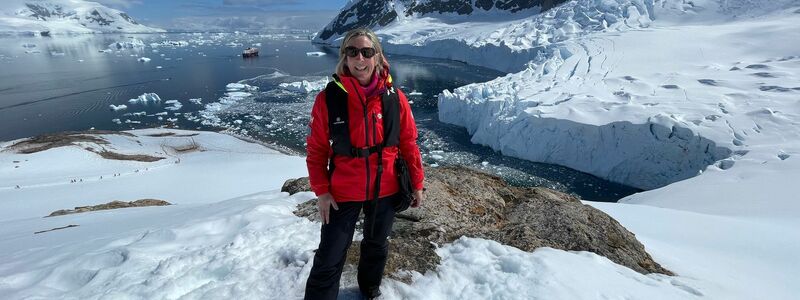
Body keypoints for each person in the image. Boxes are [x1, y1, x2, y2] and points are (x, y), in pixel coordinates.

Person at [304, 28, 425, 300]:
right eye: (353, 51)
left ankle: (369, 291)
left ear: (378, 57)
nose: (360, 58)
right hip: (343, 191)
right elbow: (317, 149)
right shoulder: (329, 99)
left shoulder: (395, 99)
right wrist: (321, 190)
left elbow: (408, 143)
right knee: (331, 253)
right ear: (344, 58)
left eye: (367, 52)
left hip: (387, 187)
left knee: (376, 245)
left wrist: (417, 183)